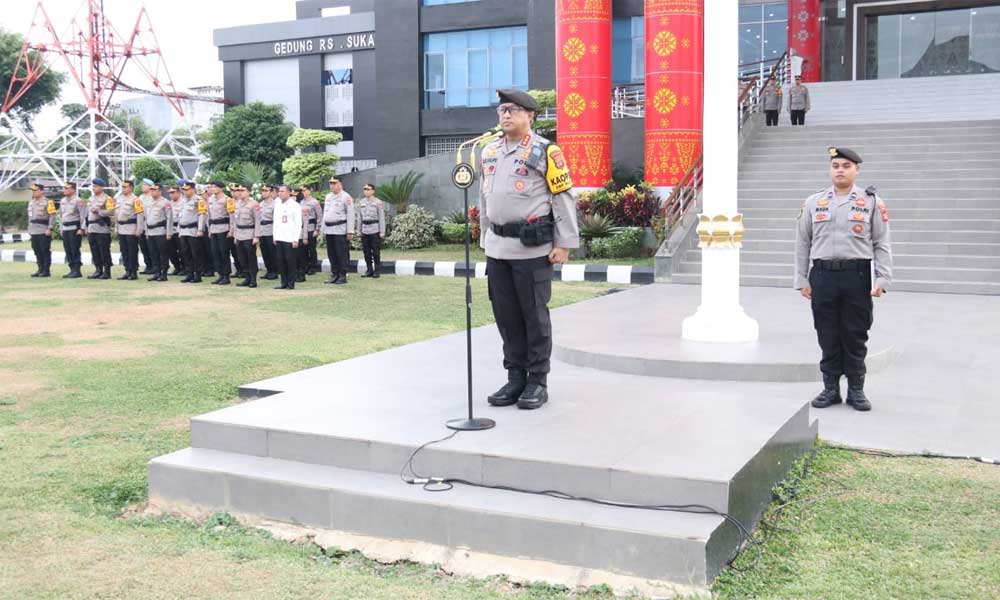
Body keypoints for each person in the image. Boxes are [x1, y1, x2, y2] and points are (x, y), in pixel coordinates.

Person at [479, 89, 580, 411]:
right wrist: (484, 236)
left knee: (534, 317)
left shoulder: (545, 151)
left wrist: (564, 242)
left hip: (531, 249)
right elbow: (485, 199)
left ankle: (537, 380)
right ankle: (515, 377)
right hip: (498, 248)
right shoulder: (489, 151)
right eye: (502, 110)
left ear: (530, 115)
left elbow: (563, 197)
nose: (505, 115)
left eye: (513, 110)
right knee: (506, 317)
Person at [795, 147, 893, 412]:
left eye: (846, 166)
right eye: (836, 165)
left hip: (856, 275)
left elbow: (881, 242)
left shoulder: (871, 201)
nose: (840, 170)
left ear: (856, 170)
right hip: (823, 275)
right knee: (827, 332)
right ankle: (830, 389)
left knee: (855, 333)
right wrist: (802, 278)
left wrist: (883, 277)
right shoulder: (814, 201)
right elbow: (803, 242)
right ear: (830, 169)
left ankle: (856, 390)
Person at [321, 177, 354, 284]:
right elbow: (325, 214)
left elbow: (350, 215)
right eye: (330, 183)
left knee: (341, 253)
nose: (332, 185)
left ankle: (342, 275)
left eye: (334, 183)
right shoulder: (328, 197)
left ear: (340, 184)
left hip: (340, 229)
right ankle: (334, 274)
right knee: (332, 253)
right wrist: (323, 229)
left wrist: (350, 231)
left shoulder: (346, 197)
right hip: (329, 229)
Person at [272, 184, 302, 290]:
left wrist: (295, 239)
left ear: (289, 192)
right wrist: (275, 236)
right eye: (279, 191)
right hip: (280, 236)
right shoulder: (278, 204)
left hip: (290, 238)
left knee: (290, 261)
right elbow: (275, 221)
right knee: (280, 261)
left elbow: (298, 223)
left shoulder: (295, 205)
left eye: (283, 191)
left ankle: (291, 283)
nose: (280, 193)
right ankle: (283, 282)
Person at [206, 181, 235, 285]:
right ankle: (220, 274)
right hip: (214, 229)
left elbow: (232, 216)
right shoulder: (210, 200)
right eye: (212, 187)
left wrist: (231, 230)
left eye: (215, 187)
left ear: (221, 188)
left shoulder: (228, 200)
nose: (212, 188)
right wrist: (209, 229)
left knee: (224, 253)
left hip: (224, 229)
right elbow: (208, 216)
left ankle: (226, 276)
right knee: (215, 253)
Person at [114, 179, 144, 280]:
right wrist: (116, 227)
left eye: (125, 187)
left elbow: (140, 215)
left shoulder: (136, 199)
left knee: (132, 251)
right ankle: (127, 270)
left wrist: (139, 229)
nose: (123, 189)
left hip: (131, 228)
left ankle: (133, 271)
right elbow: (116, 215)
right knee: (124, 251)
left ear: (131, 188)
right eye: (122, 187)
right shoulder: (119, 198)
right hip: (121, 228)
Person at [232, 184, 261, 288]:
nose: (240, 192)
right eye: (239, 190)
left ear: (248, 192)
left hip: (249, 233)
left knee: (251, 257)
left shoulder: (254, 204)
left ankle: (253, 279)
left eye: (243, 190)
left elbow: (258, 221)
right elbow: (235, 221)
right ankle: (247, 278)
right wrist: (235, 235)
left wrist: (256, 236)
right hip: (239, 234)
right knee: (241, 258)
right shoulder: (237, 204)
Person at [143, 183, 174, 282]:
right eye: (151, 189)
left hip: (160, 231)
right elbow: (146, 218)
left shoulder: (165, 202)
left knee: (163, 254)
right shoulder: (148, 202)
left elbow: (169, 219)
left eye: (154, 190)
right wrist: (146, 232)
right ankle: (156, 272)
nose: (152, 191)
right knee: (153, 253)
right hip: (150, 231)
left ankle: (164, 273)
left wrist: (169, 233)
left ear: (160, 191)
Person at [176, 181, 205, 283]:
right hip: (183, 230)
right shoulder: (183, 200)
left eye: (187, 189)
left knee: (195, 254)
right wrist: (179, 229)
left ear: (193, 189)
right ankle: (189, 274)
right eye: (183, 190)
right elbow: (180, 216)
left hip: (193, 230)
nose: (184, 191)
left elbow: (202, 215)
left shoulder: (198, 200)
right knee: (185, 253)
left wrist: (200, 229)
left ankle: (197, 275)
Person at [85, 179, 115, 279]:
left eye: (96, 186)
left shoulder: (107, 198)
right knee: (94, 250)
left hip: (102, 228)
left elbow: (112, 212)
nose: (94, 188)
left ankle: (107, 271)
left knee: (104, 250)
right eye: (93, 186)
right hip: (92, 227)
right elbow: (88, 213)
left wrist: (100, 211)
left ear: (101, 187)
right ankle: (98, 269)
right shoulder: (91, 198)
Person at [356, 182, 385, 278]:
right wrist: (359, 230)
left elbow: (381, 218)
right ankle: (369, 270)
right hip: (365, 229)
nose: (366, 191)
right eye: (364, 189)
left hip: (375, 229)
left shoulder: (378, 202)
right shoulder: (361, 202)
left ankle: (377, 271)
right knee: (366, 252)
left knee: (376, 251)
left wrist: (382, 231)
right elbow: (359, 217)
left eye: (368, 189)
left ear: (373, 191)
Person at [58, 181, 87, 279]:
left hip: (74, 228)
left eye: (67, 188)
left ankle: (77, 270)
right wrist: (61, 228)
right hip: (65, 228)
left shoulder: (78, 200)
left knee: (75, 249)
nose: (65, 190)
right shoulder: (63, 201)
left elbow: (83, 215)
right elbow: (61, 216)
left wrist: (82, 229)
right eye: (64, 188)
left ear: (73, 190)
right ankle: (71, 269)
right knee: (68, 250)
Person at [26, 182, 55, 277]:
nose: (33, 192)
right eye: (32, 191)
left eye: (35, 190)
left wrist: (50, 228)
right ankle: (40, 268)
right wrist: (29, 228)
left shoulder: (48, 202)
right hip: (34, 230)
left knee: (44, 250)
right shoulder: (31, 202)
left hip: (43, 230)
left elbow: (52, 216)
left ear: (42, 191)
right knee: (36, 250)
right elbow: (30, 217)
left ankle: (46, 270)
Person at [296, 185, 321, 281]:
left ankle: (313, 267)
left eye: (305, 190)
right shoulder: (301, 202)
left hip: (311, 227)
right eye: (302, 190)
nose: (303, 192)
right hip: (303, 228)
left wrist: (317, 229)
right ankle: (305, 266)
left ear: (309, 191)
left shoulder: (314, 202)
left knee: (312, 249)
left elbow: (319, 216)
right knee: (303, 250)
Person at [257, 184, 278, 280]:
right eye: (263, 191)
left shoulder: (275, 204)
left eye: (266, 191)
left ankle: (274, 271)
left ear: (271, 192)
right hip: (262, 230)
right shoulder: (260, 204)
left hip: (271, 230)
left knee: (272, 252)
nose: (264, 193)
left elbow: (276, 220)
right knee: (264, 252)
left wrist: (276, 234)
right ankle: (268, 270)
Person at [165, 185, 185, 275]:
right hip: (171, 229)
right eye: (169, 193)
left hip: (180, 229)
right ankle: (177, 267)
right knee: (171, 251)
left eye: (173, 193)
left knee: (182, 250)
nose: (171, 195)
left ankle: (184, 268)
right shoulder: (169, 203)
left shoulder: (184, 202)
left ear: (179, 192)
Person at [137, 179, 155, 275]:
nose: (142, 186)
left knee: (151, 248)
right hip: (142, 226)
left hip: (151, 226)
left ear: (150, 186)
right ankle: (148, 265)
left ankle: (154, 266)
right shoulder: (140, 197)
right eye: (142, 185)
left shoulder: (153, 197)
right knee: (143, 248)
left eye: (145, 185)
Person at [197, 187, 215, 279]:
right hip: (200, 229)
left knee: (209, 250)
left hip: (208, 228)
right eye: (199, 194)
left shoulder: (210, 203)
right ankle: (204, 269)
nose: (201, 196)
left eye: (203, 194)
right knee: (201, 250)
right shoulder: (199, 203)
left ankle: (211, 269)